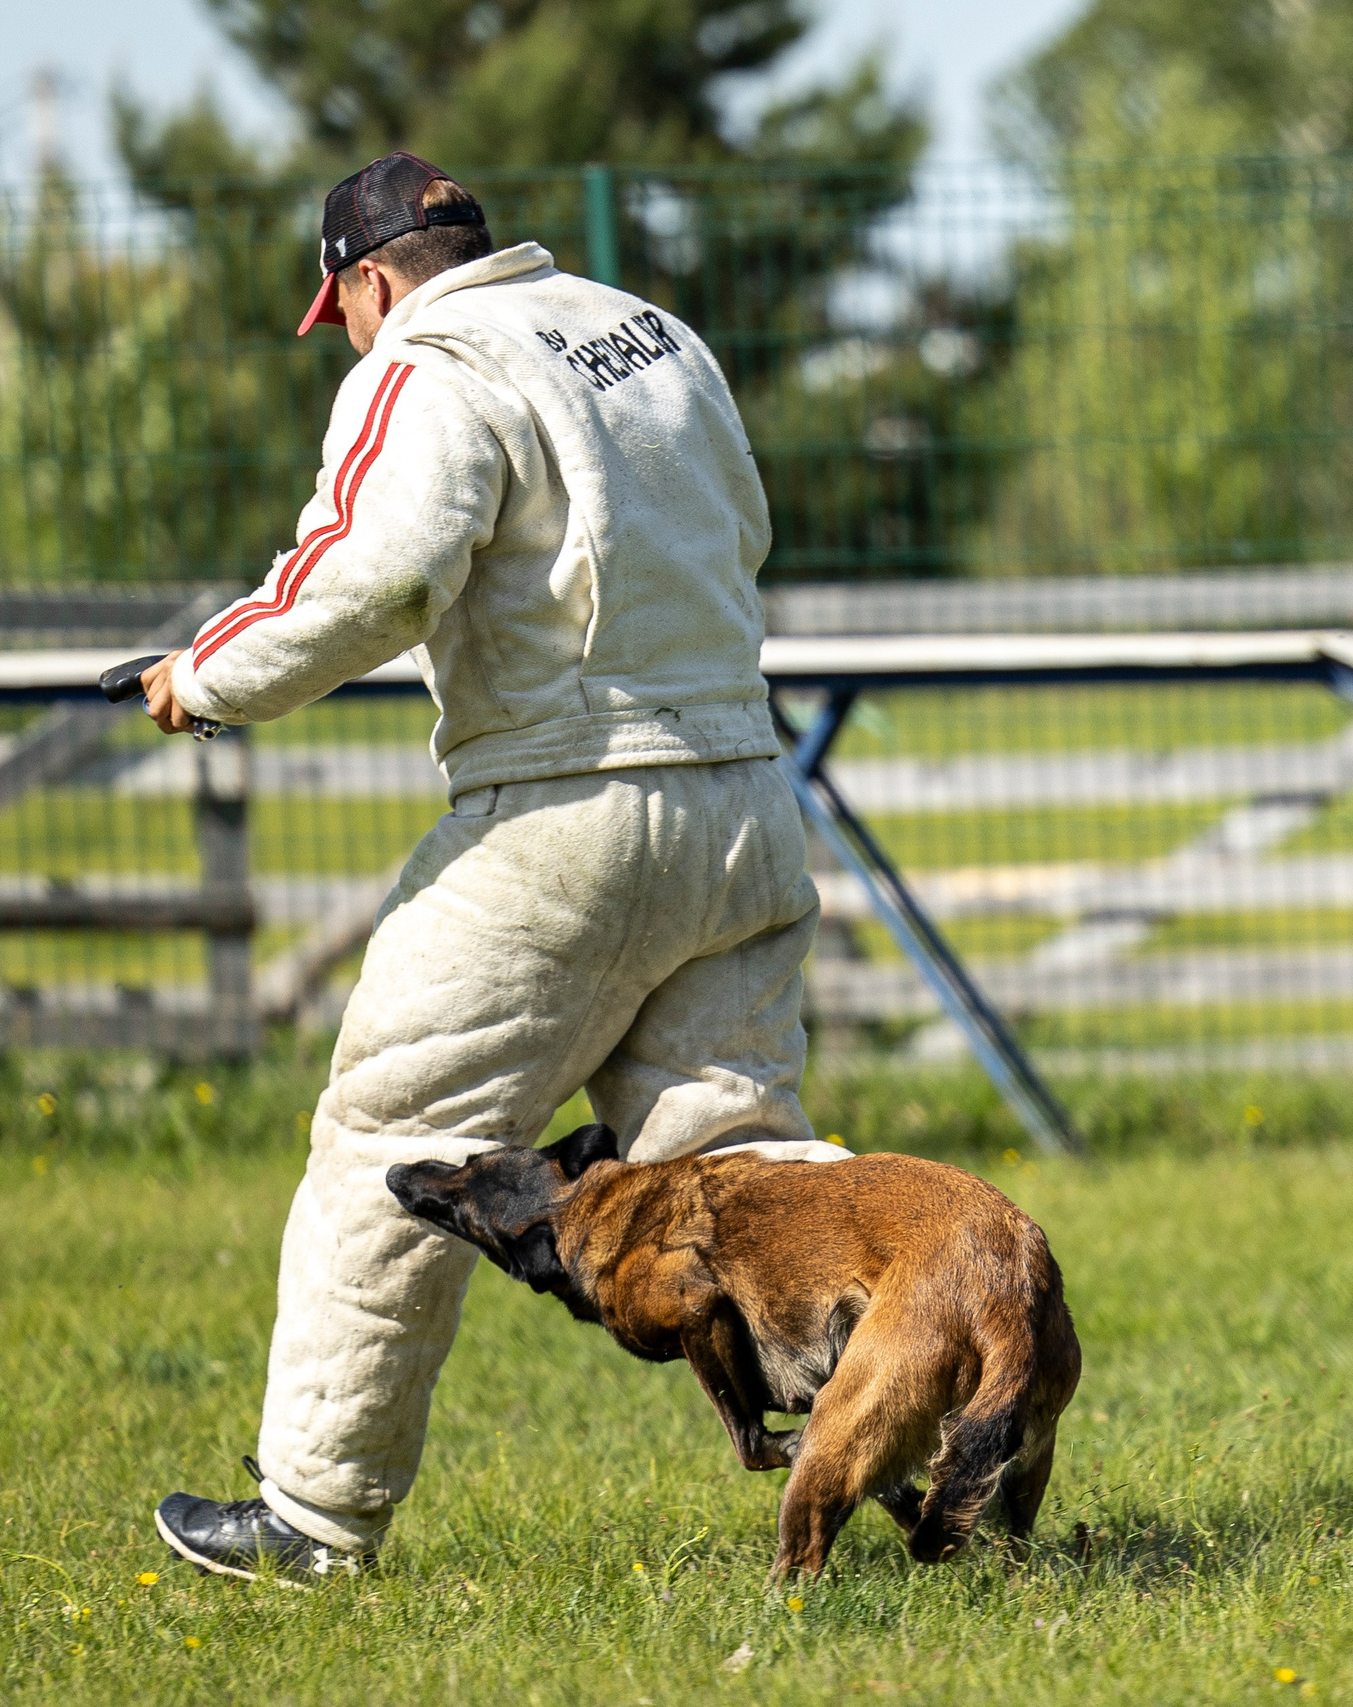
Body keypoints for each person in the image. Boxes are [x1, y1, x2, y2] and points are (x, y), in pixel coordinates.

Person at [137, 152, 847, 1581]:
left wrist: (206, 675)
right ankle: (918, 1402)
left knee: (393, 1136)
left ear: (373, 279)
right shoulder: (647, 332)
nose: (346, 338)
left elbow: (377, 574)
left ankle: (313, 1521)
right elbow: (747, 529)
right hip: (744, 797)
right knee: (741, 1172)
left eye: (339, 310)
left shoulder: (427, 360)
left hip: (563, 818)